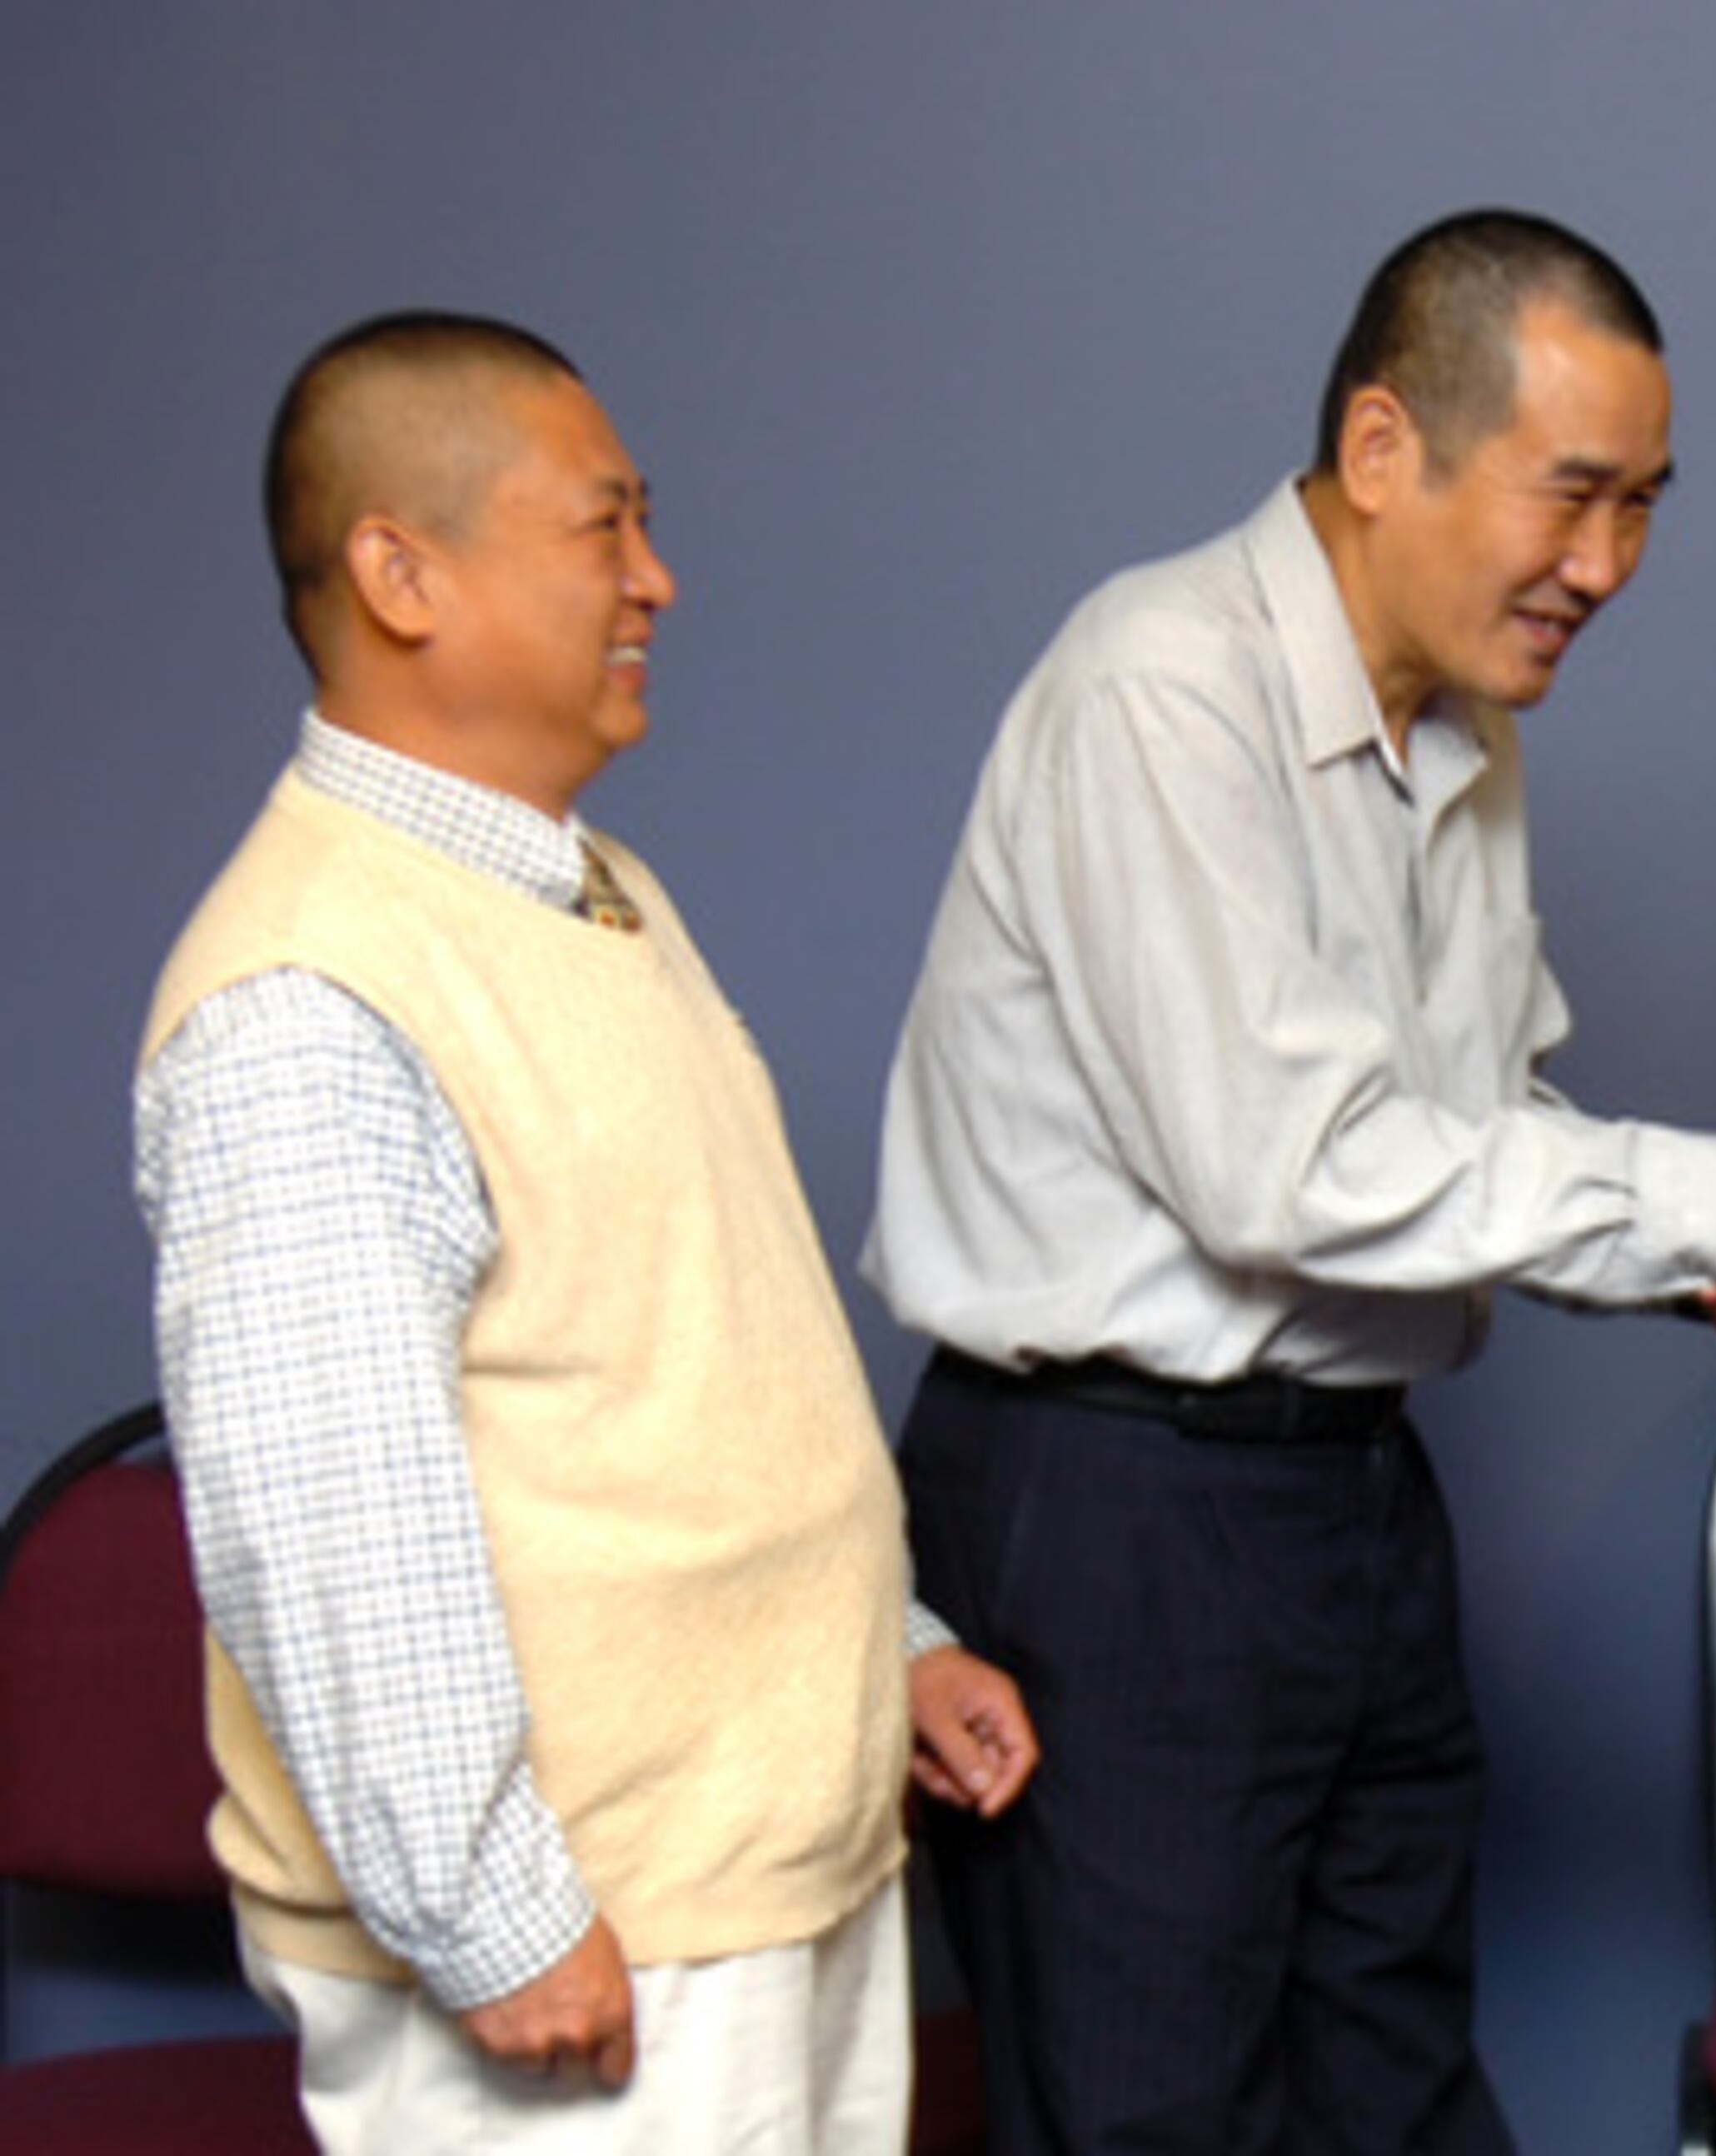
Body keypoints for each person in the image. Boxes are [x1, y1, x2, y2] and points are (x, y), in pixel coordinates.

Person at [865, 208, 1716, 2154]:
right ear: (1385, 452)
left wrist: (1697, 1260)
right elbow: (1289, 1166)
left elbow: (1477, 1109)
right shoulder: (1157, 687)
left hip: (1349, 1493)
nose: (1607, 568)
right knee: (1148, 2116)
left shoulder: (1459, 719)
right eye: (1575, 497)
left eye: (1646, 508)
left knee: (1397, 2088)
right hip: (1120, 1508)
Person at [133, 312, 1039, 2153]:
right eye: (604, 528)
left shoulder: (594, 892)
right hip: (588, 1943)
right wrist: (494, 1917)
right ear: (403, 573)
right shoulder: (311, 995)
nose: (659, 579)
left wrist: (895, 1647)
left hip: (754, 1881)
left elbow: (687, 1379)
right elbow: (332, 1523)